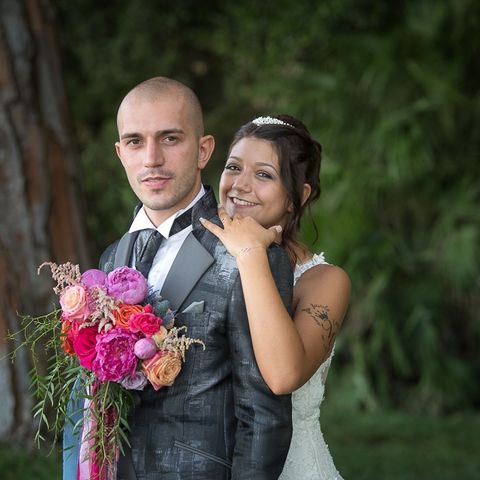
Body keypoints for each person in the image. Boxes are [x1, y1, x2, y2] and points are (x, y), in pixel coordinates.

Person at [62, 77, 293, 480]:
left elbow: (264, 418)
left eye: (169, 139)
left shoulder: (247, 257)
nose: (151, 159)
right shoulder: (112, 256)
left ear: (203, 150)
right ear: (121, 153)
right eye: (135, 142)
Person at [199, 114, 351, 479]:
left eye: (264, 174)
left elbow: (283, 376)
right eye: (233, 167)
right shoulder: (198, 261)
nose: (240, 185)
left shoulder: (325, 281)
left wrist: (251, 255)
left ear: (297, 197)